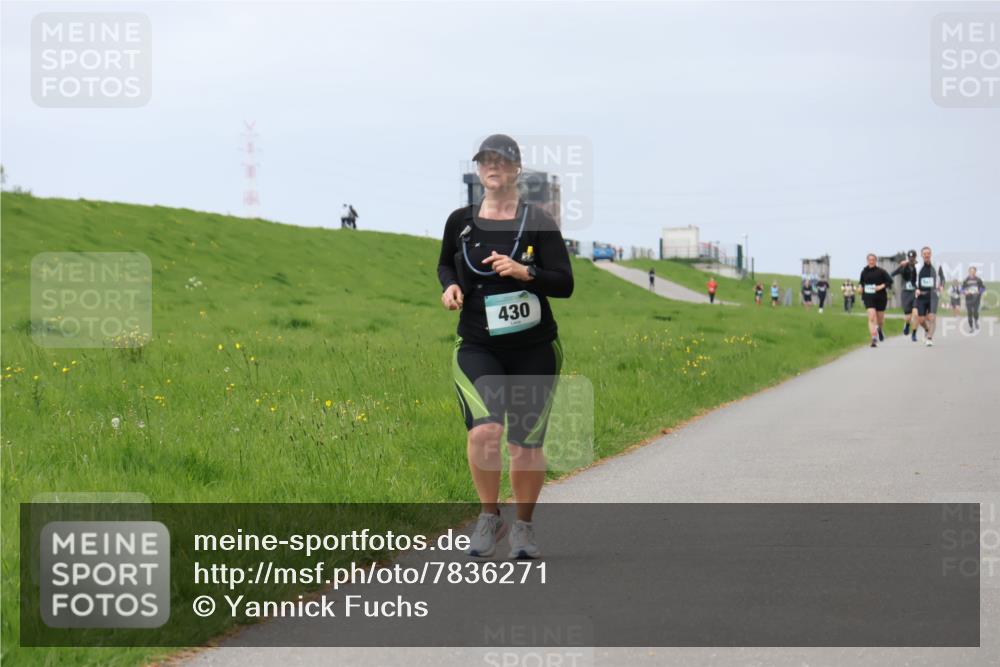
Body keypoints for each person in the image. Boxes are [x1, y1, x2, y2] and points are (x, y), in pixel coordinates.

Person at [437, 134, 573, 559]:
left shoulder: (540, 222)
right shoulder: (459, 220)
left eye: (501, 160)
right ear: (479, 170)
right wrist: (451, 285)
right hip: (478, 344)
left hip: (534, 348)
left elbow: (565, 284)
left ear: (516, 169)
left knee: (525, 444)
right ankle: (488, 516)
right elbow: (444, 262)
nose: (492, 167)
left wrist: (524, 271)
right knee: (486, 431)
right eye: (485, 161)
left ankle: (524, 529)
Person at [859, 253, 892, 347]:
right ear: (867, 260)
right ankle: (874, 338)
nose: (871, 261)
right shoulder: (864, 272)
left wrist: (881, 286)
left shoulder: (881, 271)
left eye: (873, 259)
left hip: (880, 297)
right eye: (870, 259)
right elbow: (861, 283)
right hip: (868, 297)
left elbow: (889, 282)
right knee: (872, 316)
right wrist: (860, 288)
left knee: (880, 320)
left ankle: (880, 330)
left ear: (875, 261)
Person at [913, 246, 942, 347]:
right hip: (921, 296)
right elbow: (913, 280)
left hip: (933, 295)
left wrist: (941, 286)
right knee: (921, 319)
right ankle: (926, 329)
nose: (926, 255)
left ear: (931, 254)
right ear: (921, 255)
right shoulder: (917, 267)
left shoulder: (936, 266)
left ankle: (929, 338)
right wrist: (916, 288)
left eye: (928, 253)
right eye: (924, 253)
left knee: (932, 317)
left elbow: (942, 278)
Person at [891, 250, 919, 341]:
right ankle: (907, 324)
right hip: (906, 292)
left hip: (915, 292)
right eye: (910, 257)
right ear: (908, 257)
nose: (911, 259)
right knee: (908, 316)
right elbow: (893, 273)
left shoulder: (918, 266)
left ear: (915, 257)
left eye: (913, 257)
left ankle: (914, 334)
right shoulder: (904, 266)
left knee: (915, 314)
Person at [962, 266, 985, 332]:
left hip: (976, 298)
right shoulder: (966, 280)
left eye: (973, 271)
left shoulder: (978, 280)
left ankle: (976, 320)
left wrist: (979, 291)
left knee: (975, 312)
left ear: (975, 272)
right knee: (969, 313)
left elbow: (983, 288)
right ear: (969, 272)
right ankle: (971, 328)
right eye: (970, 271)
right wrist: (965, 292)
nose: (972, 272)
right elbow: (962, 289)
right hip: (968, 298)